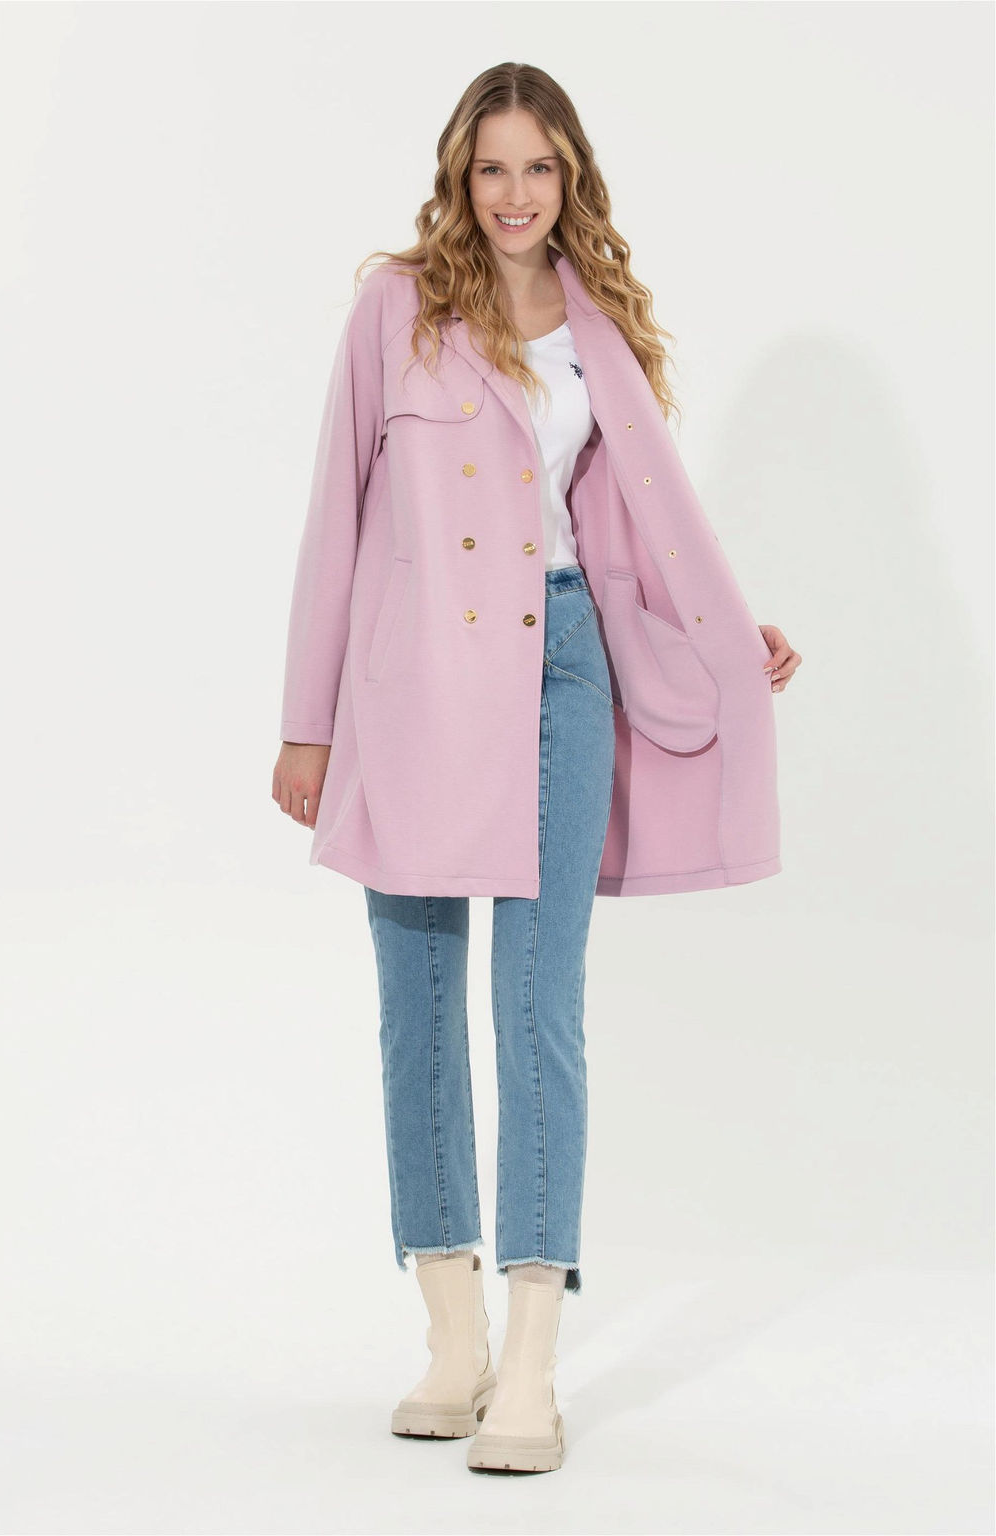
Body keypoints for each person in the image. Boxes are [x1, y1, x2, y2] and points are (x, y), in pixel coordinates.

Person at [272, 62, 801, 1475]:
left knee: (536, 1007)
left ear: (572, 180)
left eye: (541, 168)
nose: (516, 194)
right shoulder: (396, 308)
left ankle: (529, 1361)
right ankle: (449, 1338)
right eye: (493, 167)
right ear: (461, 174)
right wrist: (308, 720)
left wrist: (725, 635)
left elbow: (631, 535)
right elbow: (338, 514)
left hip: (559, 669)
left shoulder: (599, 327)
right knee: (416, 1009)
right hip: (409, 687)